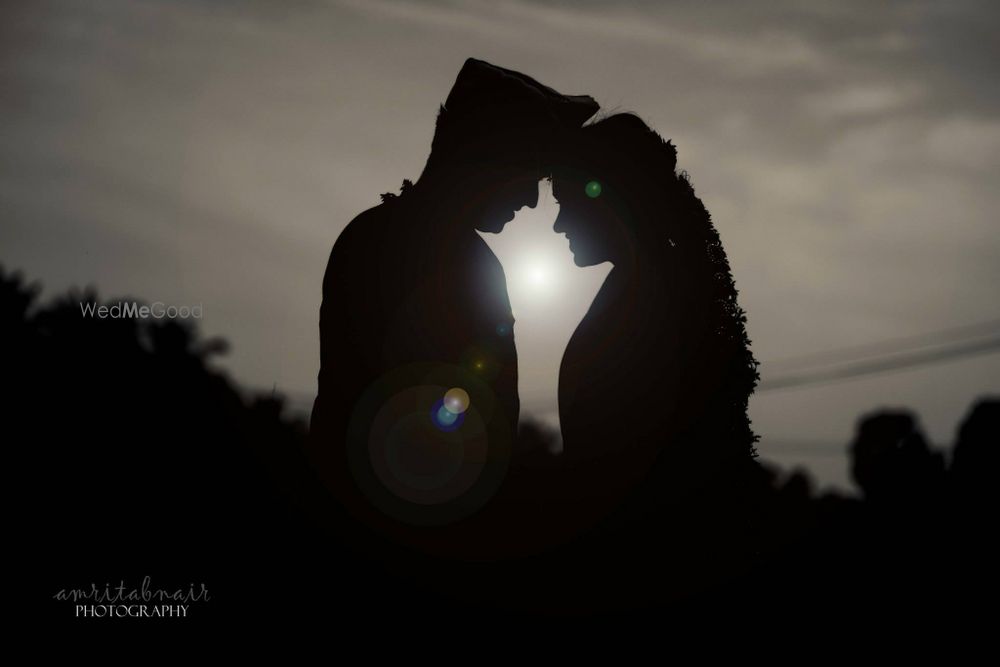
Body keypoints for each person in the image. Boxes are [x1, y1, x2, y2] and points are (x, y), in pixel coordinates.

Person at [307, 58, 597, 557]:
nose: (531, 200)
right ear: (485, 156)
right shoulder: (456, 265)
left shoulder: (372, 236)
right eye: (527, 171)